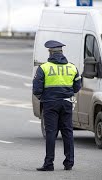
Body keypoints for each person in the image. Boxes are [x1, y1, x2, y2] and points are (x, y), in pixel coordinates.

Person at [33, 40, 81, 171]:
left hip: (50, 104)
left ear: (50, 52)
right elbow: (77, 87)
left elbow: (36, 89)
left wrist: (43, 98)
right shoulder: (72, 67)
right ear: (61, 52)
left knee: (51, 133)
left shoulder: (44, 67)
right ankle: (69, 163)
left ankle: (49, 164)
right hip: (66, 103)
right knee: (68, 133)